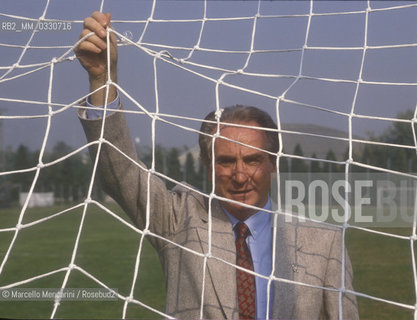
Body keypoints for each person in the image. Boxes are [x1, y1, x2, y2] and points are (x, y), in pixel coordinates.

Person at [75, 11, 359, 320]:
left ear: (274, 164)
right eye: (226, 161)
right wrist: (102, 78)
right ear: (208, 165)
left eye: (252, 160)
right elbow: (121, 173)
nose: (240, 175)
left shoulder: (323, 242)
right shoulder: (176, 219)